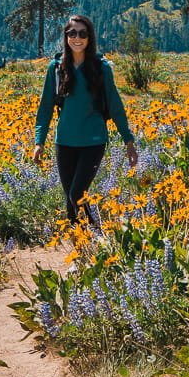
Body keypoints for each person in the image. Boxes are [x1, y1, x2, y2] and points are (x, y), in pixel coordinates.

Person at [33, 14, 137, 226]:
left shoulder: (101, 68)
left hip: (93, 141)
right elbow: (45, 108)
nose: (77, 38)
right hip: (64, 141)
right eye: (72, 33)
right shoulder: (56, 68)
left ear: (90, 38)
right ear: (66, 37)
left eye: (82, 33)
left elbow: (115, 106)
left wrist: (129, 141)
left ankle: (98, 234)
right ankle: (80, 248)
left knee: (77, 194)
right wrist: (39, 142)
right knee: (71, 206)